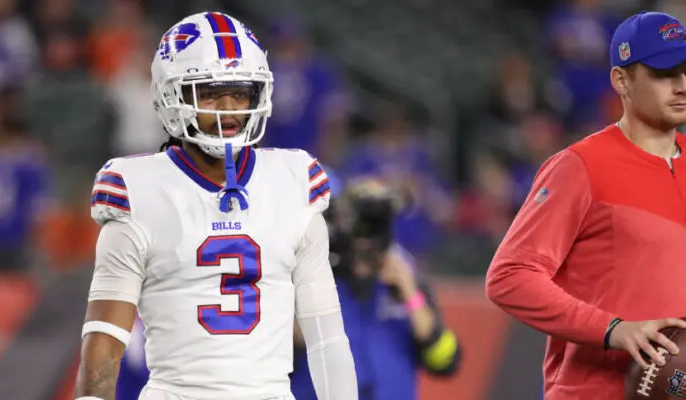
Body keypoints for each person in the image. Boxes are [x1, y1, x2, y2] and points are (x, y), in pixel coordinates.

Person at [74, 11, 358, 400]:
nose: (228, 109)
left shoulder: (294, 180)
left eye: (240, 92)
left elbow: (326, 336)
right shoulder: (136, 190)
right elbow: (105, 343)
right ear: (171, 96)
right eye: (209, 93)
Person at [486, 11, 686, 400]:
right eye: (663, 73)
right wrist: (612, 328)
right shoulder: (581, 166)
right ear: (621, 80)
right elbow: (509, 276)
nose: (681, 85)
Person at [291, 177, 461, 399]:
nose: (369, 240)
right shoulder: (313, 276)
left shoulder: (405, 284)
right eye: (363, 225)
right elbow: (287, 342)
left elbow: (444, 362)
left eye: (377, 225)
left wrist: (410, 295)